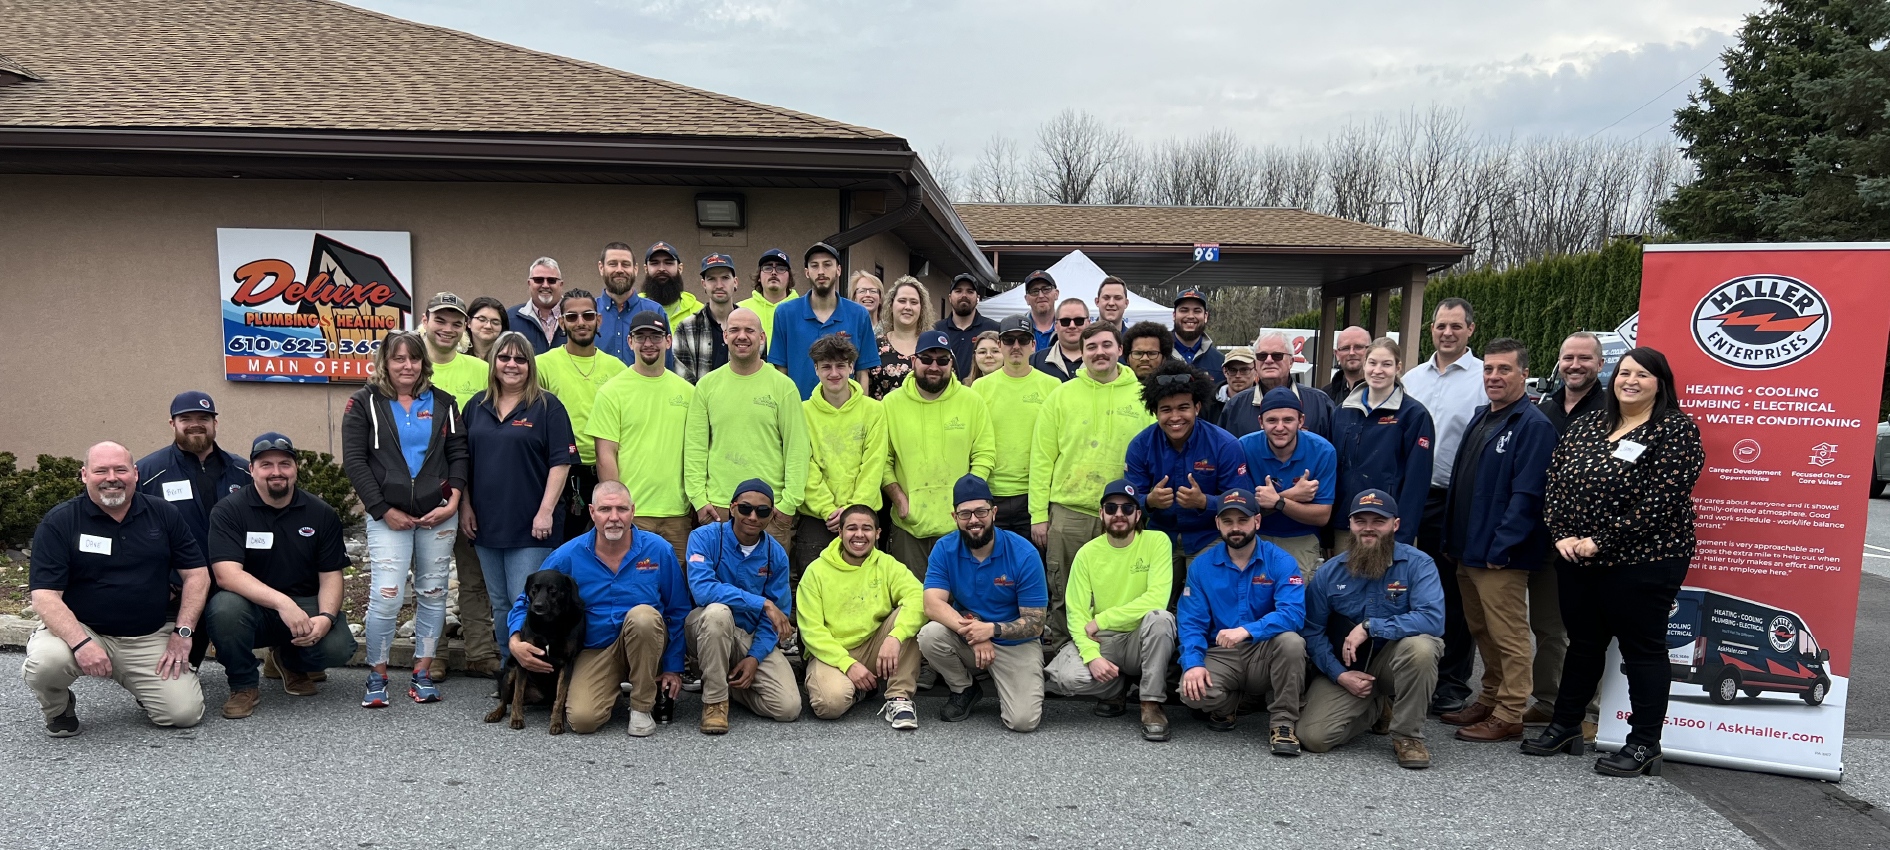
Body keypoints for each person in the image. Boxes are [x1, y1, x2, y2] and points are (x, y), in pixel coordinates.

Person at [1526, 348, 1702, 777]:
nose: (1630, 381)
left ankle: (1644, 744)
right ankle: (1565, 726)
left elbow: (1663, 500)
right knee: (1584, 643)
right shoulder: (1588, 424)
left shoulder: (1675, 429)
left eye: (1642, 374)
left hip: (1645, 560)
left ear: (1660, 383)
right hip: (1578, 558)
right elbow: (1555, 481)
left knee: (1643, 650)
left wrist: (1601, 541)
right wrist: (1562, 534)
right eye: (1624, 373)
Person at [24, 442, 207, 736]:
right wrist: (81, 644)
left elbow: (197, 574)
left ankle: (145, 686)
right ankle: (58, 708)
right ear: (85, 475)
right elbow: (45, 596)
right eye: (101, 471)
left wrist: (183, 632)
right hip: (84, 630)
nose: (112, 478)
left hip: (147, 635)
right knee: (47, 662)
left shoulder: (164, 514)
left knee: (183, 714)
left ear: (135, 473)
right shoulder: (61, 521)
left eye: (120, 470)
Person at [1438, 338, 1557, 744]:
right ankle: (1489, 697)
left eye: (1504, 369)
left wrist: (1502, 546)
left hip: (1498, 555)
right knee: (1482, 629)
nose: (1494, 376)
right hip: (1467, 548)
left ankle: (1510, 712)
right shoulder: (1482, 416)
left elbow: (1528, 495)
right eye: (1489, 369)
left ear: (1524, 373)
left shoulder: (1533, 425)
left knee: (1508, 633)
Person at [341, 331, 468, 708]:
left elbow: (459, 453)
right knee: (387, 594)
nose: (407, 366)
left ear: (423, 362)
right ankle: (377, 676)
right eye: (398, 358)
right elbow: (355, 461)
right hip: (387, 516)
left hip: (438, 513)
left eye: (413, 358)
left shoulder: (444, 403)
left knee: (433, 594)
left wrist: (453, 500)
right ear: (385, 362)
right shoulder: (362, 402)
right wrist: (382, 509)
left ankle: (422, 673)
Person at [507, 481, 690, 737]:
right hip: (596, 649)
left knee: (643, 617)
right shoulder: (568, 555)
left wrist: (672, 666)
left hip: (647, 645)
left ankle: (641, 708)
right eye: (605, 509)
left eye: (621, 509)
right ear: (592, 512)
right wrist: (515, 640)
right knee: (583, 720)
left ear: (632, 511)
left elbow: (678, 610)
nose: (614, 517)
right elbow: (526, 600)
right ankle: (611, 689)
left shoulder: (658, 550)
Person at [204, 433, 356, 719]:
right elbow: (227, 575)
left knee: (338, 647)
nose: (277, 472)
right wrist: (283, 603)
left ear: (295, 468)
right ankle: (243, 684)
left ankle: (289, 660)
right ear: (251, 470)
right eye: (266, 465)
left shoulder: (321, 513)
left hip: (304, 601)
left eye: (285, 464)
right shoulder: (229, 511)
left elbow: (331, 575)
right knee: (224, 609)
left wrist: (326, 617)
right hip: (250, 606)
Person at [1297, 490, 1444, 769]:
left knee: (1422, 648)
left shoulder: (1418, 564)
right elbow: (1312, 630)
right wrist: (1339, 675)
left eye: (1378, 521)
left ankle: (1407, 737)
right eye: (1360, 521)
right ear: (1350, 525)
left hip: (1395, 663)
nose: (1368, 528)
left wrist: (1370, 627)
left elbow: (1432, 619)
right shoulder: (1329, 572)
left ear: (1395, 525)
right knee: (1313, 737)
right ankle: (1375, 708)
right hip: (1349, 666)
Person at [1030, 321, 1153, 650]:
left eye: (1106, 345)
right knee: (1064, 588)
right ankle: (1062, 652)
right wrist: (1038, 515)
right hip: (1069, 511)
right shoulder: (1061, 396)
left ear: (1120, 350)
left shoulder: (1142, 397)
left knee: (1118, 588)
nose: (1100, 352)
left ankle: (1113, 655)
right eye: (1092, 347)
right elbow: (1042, 458)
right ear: (1081, 354)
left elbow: (1153, 453)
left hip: (1123, 512)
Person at [463, 331, 575, 660]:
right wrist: (465, 506)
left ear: (530, 365)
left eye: (520, 359)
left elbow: (561, 463)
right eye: (504, 357)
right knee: (500, 604)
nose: (511, 365)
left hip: (531, 525)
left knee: (524, 601)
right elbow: (462, 462)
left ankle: (535, 668)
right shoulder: (475, 407)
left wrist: (545, 512)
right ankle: (509, 669)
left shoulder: (548, 407)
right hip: (486, 523)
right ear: (493, 362)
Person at [1399, 297, 1484, 715]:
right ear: (1430, 329)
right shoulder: (1411, 378)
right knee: (1404, 585)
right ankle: (1408, 673)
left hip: (1453, 497)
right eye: (1440, 326)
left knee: (1452, 591)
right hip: (1409, 497)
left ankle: (1451, 682)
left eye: (1455, 326)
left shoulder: (1484, 378)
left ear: (1470, 329)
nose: (1447, 333)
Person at [1044, 480, 1177, 741]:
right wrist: (1092, 656)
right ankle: (1116, 687)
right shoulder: (1087, 553)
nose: (1119, 514)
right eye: (1111, 508)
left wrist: (1102, 619)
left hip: (1140, 637)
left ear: (1138, 514)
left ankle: (1150, 703)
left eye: (1127, 508)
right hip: (1104, 640)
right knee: (1066, 678)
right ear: (1101, 514)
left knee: (1161, 619)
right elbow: (1077, 612)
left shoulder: (1157, 541)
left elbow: (1157, 599)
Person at [1177, 488, 1306, 754]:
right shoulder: (1201, 566)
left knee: (1292, 643)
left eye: (1243, 520)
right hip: (1221, 653)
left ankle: (1283, 723)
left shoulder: (1281, 561)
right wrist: (1193, 664)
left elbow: (1293, 613)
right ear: (1218, 524)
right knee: (1190, 692)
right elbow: (1191, 622)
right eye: (1228, 521)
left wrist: (1247, 630)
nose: (1235, 528)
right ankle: (1229, 705)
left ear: (1257, 521)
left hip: (1265, 651)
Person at [918, 475, 1048, 732]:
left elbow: (1036, 623)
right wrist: (976, 634)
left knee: (1022, 721)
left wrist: (991, 630)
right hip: (970, 635)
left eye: (981, 511)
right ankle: (964, 688)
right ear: (955, 517)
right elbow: (932, 605)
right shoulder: (944, 548)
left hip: (1015, 642)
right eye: (965, 514)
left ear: (994, 512)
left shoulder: (1024, 553)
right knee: (930, 635)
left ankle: (1010, 681)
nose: (974, 520)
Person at [1527, 331, 1609, 733]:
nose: (1575, 365)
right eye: (1568, 358)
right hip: (1547, 535)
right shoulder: (1546, 408)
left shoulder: (1613, 409)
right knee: (1547, 625)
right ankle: (1548, 701)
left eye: (1584, 358)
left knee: (1587, 630)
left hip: (1589, 540)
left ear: (1600, 364)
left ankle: (1587, 711)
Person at [135, 390, 250, 668]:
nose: (195, 424)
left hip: (232, 583)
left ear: (215, 423)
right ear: (172, 423)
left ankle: (281, 660)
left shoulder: (243, 471)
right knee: (173, 671)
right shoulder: (147, 473)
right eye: (186, 418)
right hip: (177, 589)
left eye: (204, 418)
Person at [419, 291, 499, 677]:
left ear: (465, 327)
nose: (447, 329)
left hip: (472, 488)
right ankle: (432, 654)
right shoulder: (410, 367)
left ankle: (480, 652)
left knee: (474, 576)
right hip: (425, 490)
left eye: (455, 322)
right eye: (440, 320)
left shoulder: (481, 371)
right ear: (425, 321)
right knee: (430, 578)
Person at [684, 306, 809, 552]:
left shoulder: (783, 387)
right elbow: (695, 448)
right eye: (735, 330)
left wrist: (788, 504)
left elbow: (797, 449)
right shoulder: (707, 386)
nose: (742, 336)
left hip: (769, 511)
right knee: (715, 577)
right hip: (719, 508)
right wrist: (699, 500)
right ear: (725, 336)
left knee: (768, 577)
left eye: (749, 330)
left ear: (762, 337)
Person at [1124, 361, 1249, 604]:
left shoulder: (1225, 445)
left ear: (1197, 407)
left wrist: (1204, 502)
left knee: (1207, 602)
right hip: (1159, 538)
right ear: (1154, 411)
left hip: (1209, 537)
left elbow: (1242, 501)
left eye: (1183, 408)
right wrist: (1149, 501)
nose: (1175, 417)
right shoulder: (1140, 445)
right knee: (1149, 604)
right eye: (1166, 410)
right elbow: (1129, 501)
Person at [683, 479, 802, 733]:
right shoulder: (704, 537)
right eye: (746, 508)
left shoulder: (776, 554)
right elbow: (703, 590)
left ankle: (725, 683)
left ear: (771, 515)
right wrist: (763, 603)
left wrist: (754, 658)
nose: (753, 517)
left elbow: (776, 616)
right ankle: (715, 702)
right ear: (732, 507)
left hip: (748, 636)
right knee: (718, 612)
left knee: (788, 708)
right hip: (705, 628)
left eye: (762, 511)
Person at [882, 329, 997, 578]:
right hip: (909, 527)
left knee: (959, 598)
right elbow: (883, 461)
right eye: (927, 359)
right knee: (911, 597)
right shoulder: (890, 404)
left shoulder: (972, 401)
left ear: (951, 363)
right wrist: (900, 500)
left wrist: (968, 501)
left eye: (942, 360)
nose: (934, 367)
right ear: (914, 361)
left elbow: (984, 454)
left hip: (959, 526)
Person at [798, 504, 924, 728]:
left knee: (910, 616)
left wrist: (895, 636)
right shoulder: (816, 571)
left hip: (875, 645)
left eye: (866, 528)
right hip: (832, 653)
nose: (859, 534)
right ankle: (861, 690)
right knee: (829, 705)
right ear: (840, 532)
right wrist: (847, 664)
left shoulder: (887, 564)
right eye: (851, 528)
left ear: (877, 533)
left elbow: (919, 597)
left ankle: (899, 697)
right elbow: (812, 631)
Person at [591, 311, 694, 560]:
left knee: (679, 582)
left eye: (655, 336)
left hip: (678, 514)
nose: (648, 343)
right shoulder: (611, 392)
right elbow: (605, 455)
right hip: (633, 514)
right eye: (641, 337)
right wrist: (617, 510)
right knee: (633, 580)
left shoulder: (689, 392)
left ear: (668, 341)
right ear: (630, 342)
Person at [536, 289, 628, 544]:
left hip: (607, 470)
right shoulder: (542, 365)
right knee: (562, 545)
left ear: (598, 320)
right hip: (559, 472)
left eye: (587, 315)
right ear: (561, 322)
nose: (580, 322)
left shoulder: (617, 369)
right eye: (572, 317)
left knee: (607, 544)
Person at [798, 334, 888, 582]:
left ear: (851, 367)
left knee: (865, 588)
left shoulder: (874, 410)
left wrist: (854, 509)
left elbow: (874, 464)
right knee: (815, 587)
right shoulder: (802, 412)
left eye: (840, 365)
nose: (834, 373)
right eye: (826, 366)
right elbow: (805, 465)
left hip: (862, 515)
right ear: (816, 369)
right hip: (818, 519)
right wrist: (828, 510)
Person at [1332, 337, 1433, 548]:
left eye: (1386, 364)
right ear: (1364, 364)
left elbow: (1417, 482)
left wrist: (1403, 535)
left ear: (1398, 368)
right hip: (1346, 524)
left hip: (1387, 528)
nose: (1378, 370)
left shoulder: (1414, 415)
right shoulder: (1342, 412)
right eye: (1372, 363)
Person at [972, 316, 1062, 538]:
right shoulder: (979, 388)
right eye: (1009, 340)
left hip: (1034, 495)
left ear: (1033, 345)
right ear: (1000, 345)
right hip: (991, 493)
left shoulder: (1053, 386)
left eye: (1023, 340)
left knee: (1032, 559)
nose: (1016, 346)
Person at [1237, 387, 1336, 576]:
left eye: (1288, 420)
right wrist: (1291, 495)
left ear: (1301, 421)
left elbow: (1322, 516)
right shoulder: (1244, 447)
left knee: (1295, 586)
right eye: (1272, 420)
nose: (1280, 427)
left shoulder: (1323, 451)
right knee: (1250, 587)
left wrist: (1277, 501)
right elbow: (1243, 511)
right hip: (1255, 533)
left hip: (1301, 535)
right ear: (1261, 422)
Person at [768, 242, 878, 400]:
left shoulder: (858, 314)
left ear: (838, 270)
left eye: (827, 265)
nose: (821, 271)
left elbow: (862, 374)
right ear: (807, 272)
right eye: (814, 266)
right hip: (798, 409)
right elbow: (780, 372)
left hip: (844, 411)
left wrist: (861, 411)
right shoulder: (785, 313)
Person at [1219, 330, 1335, 440]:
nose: (1268, 360)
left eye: (1277, 355)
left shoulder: (1319, 404)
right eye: (1262, 356)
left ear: (1291, 362)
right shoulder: (1235, 406)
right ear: (1255, 363)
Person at [593, 242, 672, 367]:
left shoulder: (655, 311)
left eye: (625, 264)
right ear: (601, 268)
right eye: (613, 264)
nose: (619, 270)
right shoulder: (588, 313)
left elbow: (666, 365)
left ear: (635, 269)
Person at [674, 253, 741, 383]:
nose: (719, 285)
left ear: (735, 282)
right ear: (704, 284)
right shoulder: (686, 328)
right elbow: (682, 380)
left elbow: (759, 371)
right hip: (699, 396)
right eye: (712, 279)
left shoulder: (750, 327)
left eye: (725, 278)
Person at [868, 276, 933, 400]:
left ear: (921, 308)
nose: (908, 307)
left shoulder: (933, 346)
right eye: (902, 301)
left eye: (914, 302)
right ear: (891, 305)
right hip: (883, 412)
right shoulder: (874, 346)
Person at [934, 273, 1000, 380]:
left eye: (970, 291)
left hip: (982, 389)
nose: (964, 295)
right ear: (950, 297)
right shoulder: (936, 330)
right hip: (945, 389)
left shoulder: (994, 329)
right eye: (958, 291)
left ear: (978, 298)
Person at [738, 248, 800, 342]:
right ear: (759, 276)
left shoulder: (803, 309)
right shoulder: (740, 309)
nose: (774, 273)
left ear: (789, 277)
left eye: (781, 268)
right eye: (768, 268)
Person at [512, 256, 568, 354]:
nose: (545, 285)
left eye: (551, 280)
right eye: (538, 280)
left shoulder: (576, 317)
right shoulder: (511, 318)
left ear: (561, 284)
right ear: (529, 283)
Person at [640, 241, 703, 326]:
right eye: (655, 263)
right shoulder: (632, 307)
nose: (661, 269)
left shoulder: (699, 312)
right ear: (646, 269)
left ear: (680, 268)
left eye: (668, 263)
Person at [1170, 289, 1223, 383]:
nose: (1190, 316)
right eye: (1184, 310)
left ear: (1205, 317)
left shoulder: (1220, 362)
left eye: (1197, 311)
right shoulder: (1157, 356)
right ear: (1174, 316)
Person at [1030, 298, 1090, 381]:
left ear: (1089, 323)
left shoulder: (1102, 359)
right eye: (1065, 321)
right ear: (1056, 326)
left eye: (1079, 320)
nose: (1072, 326)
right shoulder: (1034, 362)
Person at [1203, 346, 1256, 425]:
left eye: (1244, 370)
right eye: (1232, 370)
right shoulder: (1208, 402)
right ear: (1225, 372)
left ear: (1256, 371)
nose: (1238, 375)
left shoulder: (1263, 401)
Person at [1322, 326, 1372, 404]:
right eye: (1345, 348)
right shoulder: (1325, 397)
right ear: (1337, 354)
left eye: (1358, 347)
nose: (1351, 353)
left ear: (1370, 351)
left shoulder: (1384, 393)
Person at [462, 296, 509, 360]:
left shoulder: (508, 358)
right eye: (482, 319)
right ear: (469, 322)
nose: (488, 326)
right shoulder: (455, 353)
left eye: (495, 322)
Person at [1022, 270, 1059, 350]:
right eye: (1034, 291)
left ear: (1056, 294)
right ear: (1027, 299)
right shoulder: (1017, 328)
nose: (1041, 295)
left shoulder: (1070, 326)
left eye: (1046, 289)